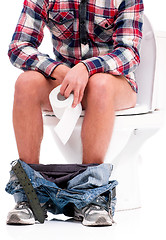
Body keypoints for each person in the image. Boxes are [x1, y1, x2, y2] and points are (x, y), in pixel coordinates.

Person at [6, 0, 144, 226]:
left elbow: (130, 54)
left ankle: (91, 198)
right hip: (64, 80)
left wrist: (86, 68)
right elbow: (19, 47)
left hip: (114, 81)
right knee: (26, 82)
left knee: (100, 85)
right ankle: (29, 198)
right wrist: (59, 70)